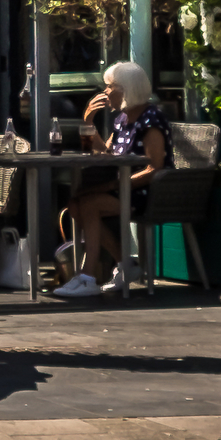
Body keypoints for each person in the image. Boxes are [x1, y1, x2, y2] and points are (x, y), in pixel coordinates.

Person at [53, 60, 171, 302]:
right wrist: (88, 123)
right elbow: (107, 155)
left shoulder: (151, 119)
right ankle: (125, 263)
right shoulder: (122, 119)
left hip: (147, 191)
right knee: (76, 205)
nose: (105, 92)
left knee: (88, 205)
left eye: (109, 87)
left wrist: (114, 186)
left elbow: (154, 167)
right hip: (120, 188)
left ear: (126, 89)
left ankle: (87, 277)